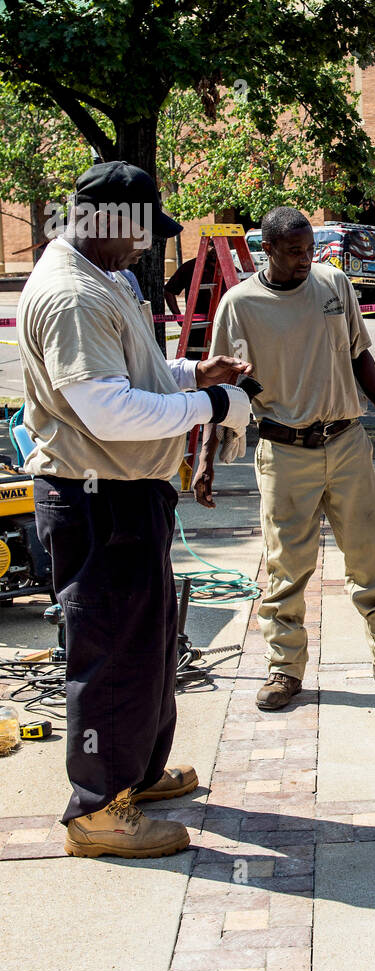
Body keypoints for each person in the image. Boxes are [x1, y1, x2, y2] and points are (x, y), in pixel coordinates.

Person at [17, 161, 252, 859]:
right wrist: (211, 407)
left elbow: (132, 375)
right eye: (142, 233)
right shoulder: (69, 296)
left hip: (129, 493)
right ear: (105, 223)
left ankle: (137, 777)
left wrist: (192, 376)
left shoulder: (107, 280)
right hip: (97, 498)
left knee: (149, 645)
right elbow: (106, 408)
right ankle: (95, 812)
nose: (147, 248)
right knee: (113, 654)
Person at [195, 206, 375, 707]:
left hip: (346, 443)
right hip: (284, 451)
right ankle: (284, 670)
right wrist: (207, 458)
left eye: (309, 249)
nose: (304, 260)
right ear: (268, 250)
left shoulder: (333, 284)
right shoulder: (239, 305)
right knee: (286, 568)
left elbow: (360, 353)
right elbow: (221, 385)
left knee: (370, 557)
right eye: (294, 252)